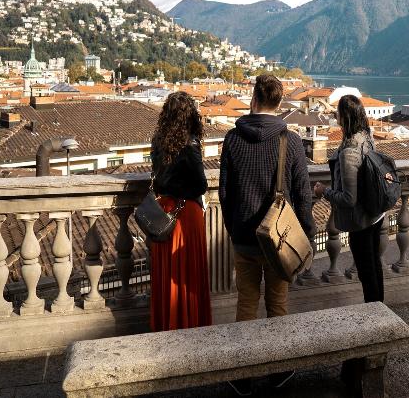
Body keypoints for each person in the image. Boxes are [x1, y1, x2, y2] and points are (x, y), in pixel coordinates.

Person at [219, 74, 314, 395]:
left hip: (244, 236)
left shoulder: (233, 139)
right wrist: (307, 235)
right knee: (277, 304)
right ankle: (278, 371)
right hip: (280, 238)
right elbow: (302, 194)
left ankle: (244, 375)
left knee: (246, 303)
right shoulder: (291, 141)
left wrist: (234, 229)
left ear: (254, 98)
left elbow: (224, 193)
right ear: (279, 102)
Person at [149, 91, 212, 331]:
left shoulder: (158, 141)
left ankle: (168, 324)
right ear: (191, 117)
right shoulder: (190, 144)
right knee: (189, 275)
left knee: (167, 274)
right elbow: (201, 184)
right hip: (186, 214)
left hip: (163, 211)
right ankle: (191, 324)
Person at [314, 94, 385, 303]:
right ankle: (381, 309)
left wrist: (323, 191)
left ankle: (375, 313)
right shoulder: (367, 137)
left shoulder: (349, 151)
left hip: (360, 221)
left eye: (337, 111)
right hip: (375, 215)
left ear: (343, 117)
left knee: (366, 272)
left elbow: (348, 198)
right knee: (374, 266)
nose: (334, 114)